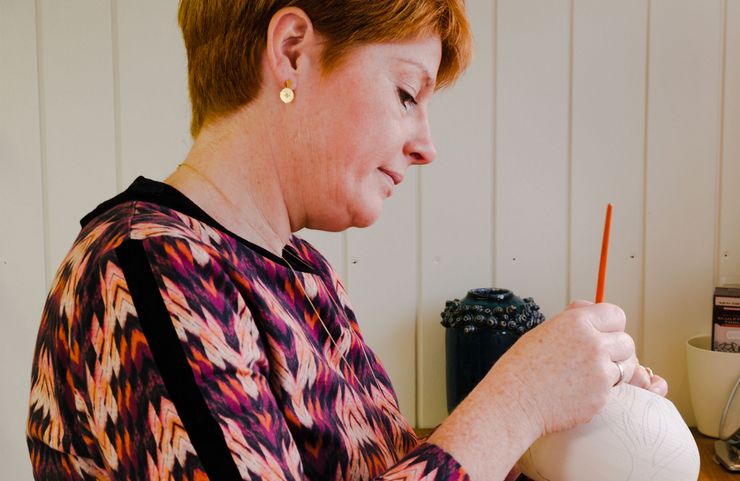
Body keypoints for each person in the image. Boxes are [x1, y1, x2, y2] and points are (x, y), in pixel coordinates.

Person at [26, 1, 668, 480]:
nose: (426, 145)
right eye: (406, 93)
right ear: (293, 50)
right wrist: (517, 403)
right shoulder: (148, 268)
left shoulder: (302, 273)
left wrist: (568, 428)